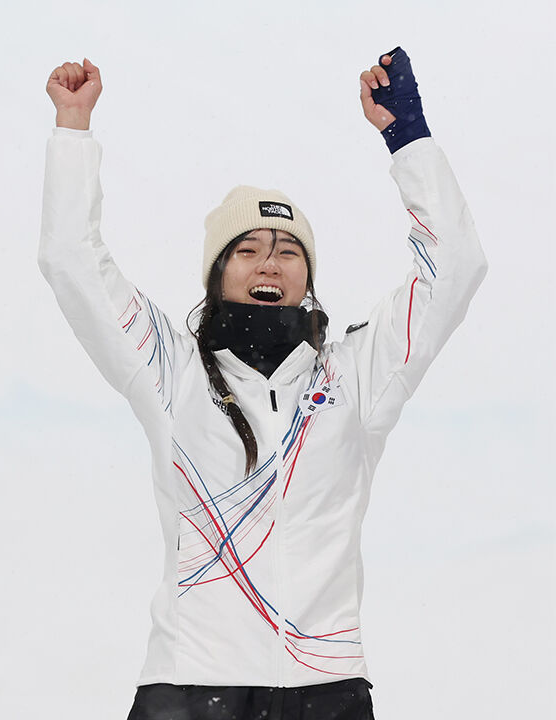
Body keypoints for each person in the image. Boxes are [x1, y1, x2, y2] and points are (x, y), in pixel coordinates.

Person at [38, 48, 485, 719]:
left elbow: (455, 269)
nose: (267, 262)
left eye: (287, 250)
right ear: (218, 272)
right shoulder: (170, 369)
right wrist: (73, 129)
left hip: (326, 689)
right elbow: (71, 260)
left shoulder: (355, 377)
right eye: (246, 249)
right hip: (191, 686)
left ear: (308, 277)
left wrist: (408, 138)